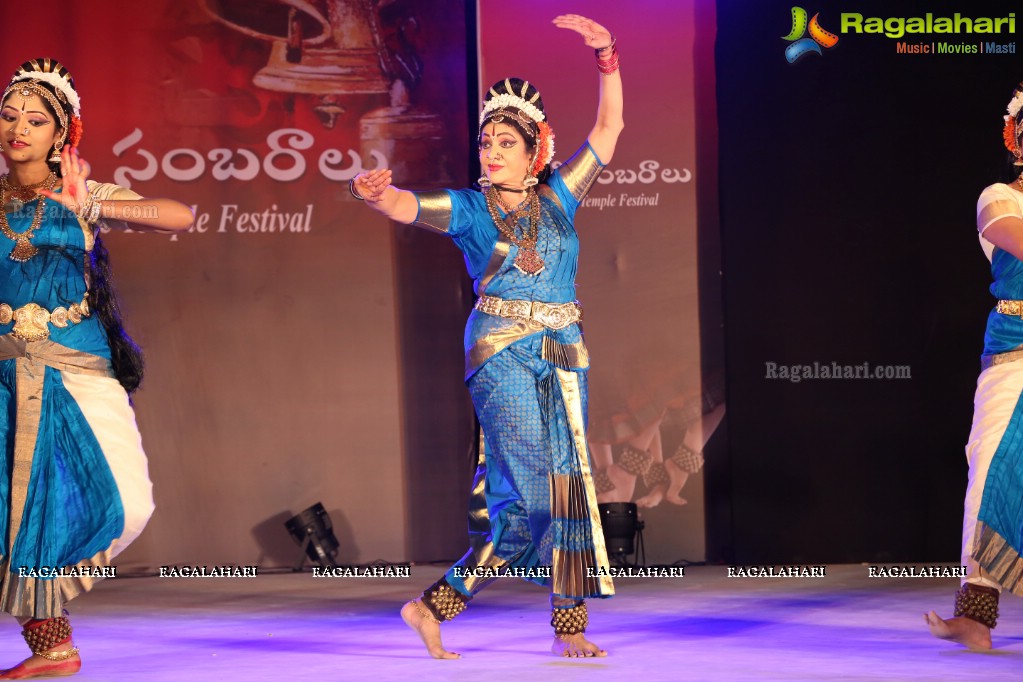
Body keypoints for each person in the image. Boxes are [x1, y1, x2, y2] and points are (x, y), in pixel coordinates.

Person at [352, 14, 623, 659]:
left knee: (562, 486)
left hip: (563, 353)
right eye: (486, 142)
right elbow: (405, 207)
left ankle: (453, 610)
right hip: (500, 350)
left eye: (505, 142)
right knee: (536, 487)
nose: (492, 152)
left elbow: (609, 129)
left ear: (536, 151)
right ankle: (524, 612)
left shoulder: (560, 196)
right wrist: (374, 194)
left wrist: (606, 55)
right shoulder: (470, 209)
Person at [0, 58, 193, 679]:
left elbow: (178, 216)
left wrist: (88, 208)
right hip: (4, 374)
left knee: (128, 503)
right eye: (8, 116)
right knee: (11, 511)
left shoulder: (84, 193)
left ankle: (51, 618)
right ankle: (53, 648)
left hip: (78, 367)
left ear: (61, 134)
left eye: (35, 119)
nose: (17, 128)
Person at [925, 80, 1023, 650]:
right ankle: (976, 614)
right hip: (1014, 353)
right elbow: (1011, 238)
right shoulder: (999, 197)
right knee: (989, 472)